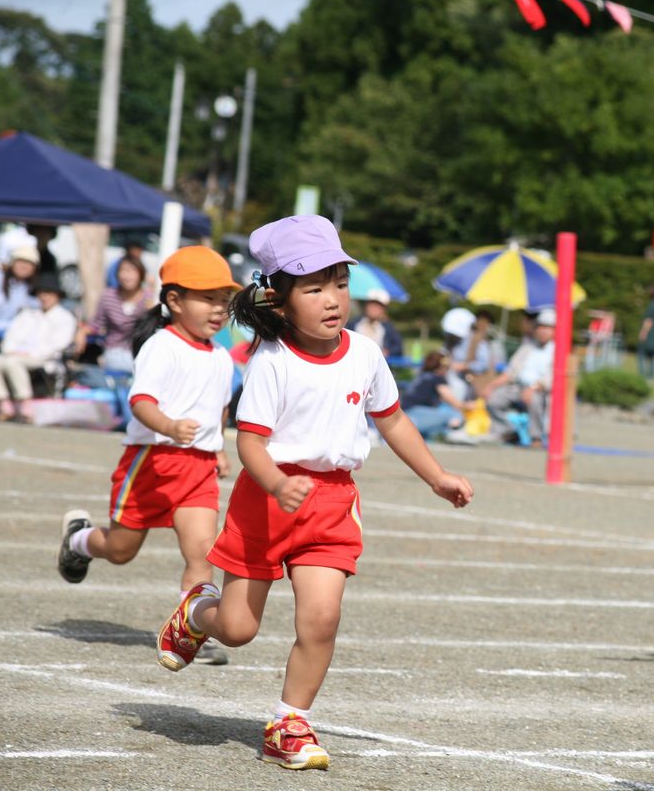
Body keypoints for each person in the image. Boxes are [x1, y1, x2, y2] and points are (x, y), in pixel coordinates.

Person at [153, 214, 473, 771]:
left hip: (331, 504)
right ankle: (196, 614)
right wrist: (278, 482)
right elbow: (250, 442)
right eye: (315, 287)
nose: (333, 299)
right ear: (278, 299)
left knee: (321, 619)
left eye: (340, 284)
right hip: (267, 500)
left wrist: (437, 476)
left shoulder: (366, 354)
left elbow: (394, 421)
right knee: (239, 629)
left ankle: (288, 722)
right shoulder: (272, 362)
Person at [54, 247, 239, 667]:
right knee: (120, 550)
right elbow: (140, 401)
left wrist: (220, 448)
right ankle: (79, 540)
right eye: (207, 298)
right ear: (174, 301)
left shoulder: (223, 357)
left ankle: (190, 631)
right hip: (152, 461)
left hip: (198, 468)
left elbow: (219, 408)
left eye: (223, 301)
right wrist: (170, 426)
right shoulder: (162, 346)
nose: (218, 309)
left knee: (203, 552)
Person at [0, 273, 76, 421]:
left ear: (57, 296)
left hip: (45, 359)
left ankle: (25, 404)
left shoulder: (65, 318)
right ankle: (3, 403)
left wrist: (30, 354)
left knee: (13, 362)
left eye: (49, 293)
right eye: (42, 293)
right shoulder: (27, 314)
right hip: (15, 355)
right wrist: (12, 351)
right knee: (2, 361)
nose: (44, 297)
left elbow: (58, 345)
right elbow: (10, 337)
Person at [484, 308, 556, 447]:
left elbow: (551, 379)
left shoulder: (556, 351)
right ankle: (508, 430)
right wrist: (491, 386)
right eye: (540, 327)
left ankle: (536, 437)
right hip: (517, 387)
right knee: (494, 399)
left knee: (534, 400)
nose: (542, 331)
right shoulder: (527, 347)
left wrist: (533, 388)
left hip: (539, 390)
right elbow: (511, 372)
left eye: (547, 328)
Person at [75, 251, 150, 373]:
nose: (127, 276)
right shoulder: (108, 296)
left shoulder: (149, 298)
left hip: (141, 352)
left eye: (132, 271)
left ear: (141, 274)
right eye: (123, 271)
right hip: (114, 350)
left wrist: (151, 310)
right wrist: (81, 332)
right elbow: (97, 324)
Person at [401, 350, 475, 442]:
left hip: (404, 416)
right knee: (454, 414)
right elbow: (454, 402)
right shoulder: (437, 378)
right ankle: (455, 434)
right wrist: (469, 405)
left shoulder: (421, 376)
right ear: (442, 367)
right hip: (416, 416)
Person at [0, 243, 41, 340]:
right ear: (12, 263)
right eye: (21, 261)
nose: (24, 266)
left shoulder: (31, 291)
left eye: (29, 263)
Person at [348, 289, 403, 359]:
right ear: (366, 306)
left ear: (383, 310)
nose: (374, 309)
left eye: (378, 306)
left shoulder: (388, 328)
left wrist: (388, 352)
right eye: (372, 305)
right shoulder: (354, 324)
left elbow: (398, 347)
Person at [637, 284, 654, 382]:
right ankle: (651, 377)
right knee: (652, 358)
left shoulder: (652, 306)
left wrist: (643, 332)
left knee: (641, 356)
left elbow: (649, 321)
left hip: (649, 335)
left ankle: (642, 377)